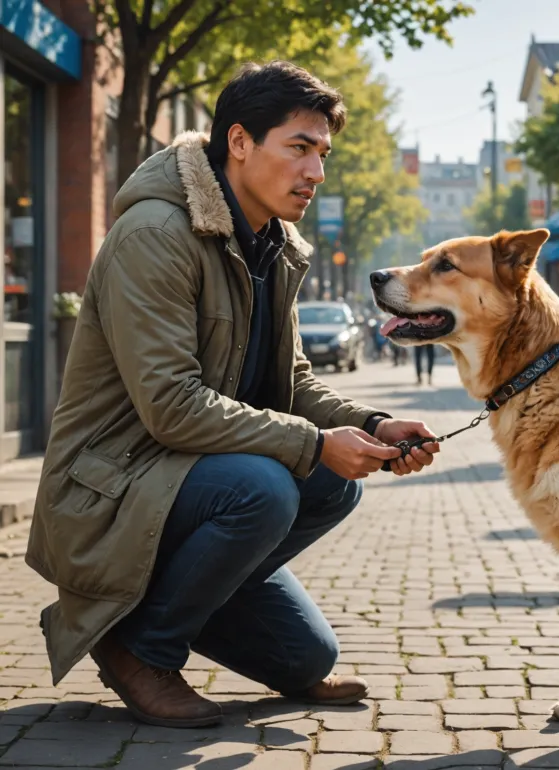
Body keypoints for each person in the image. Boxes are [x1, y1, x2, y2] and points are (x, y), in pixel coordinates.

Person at [25, 61, 441, 730]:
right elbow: (171, 405)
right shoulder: (156, 234)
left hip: (183, 480)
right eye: (299, 148)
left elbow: (292, 383)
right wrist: (315, 444)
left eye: (323, 154)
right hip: (107, 490)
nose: (316, 172)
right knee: (266, 488)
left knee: (308, 644)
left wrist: (372, 423)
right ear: (240, 142)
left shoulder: (276, 247)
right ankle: (141, 650)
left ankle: (176, 602)